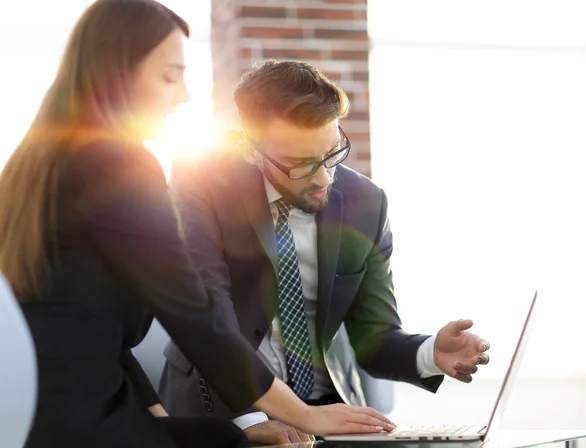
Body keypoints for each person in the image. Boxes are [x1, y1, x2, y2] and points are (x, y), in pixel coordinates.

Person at [0, 3, 394, 448]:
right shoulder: (118, 165)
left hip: (38, 408)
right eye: (170, 75)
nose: (183, 95)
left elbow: (84, 324)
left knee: (216, 434)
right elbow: (193, 311)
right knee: (230, 441)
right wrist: (303, 413)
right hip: (78, 422)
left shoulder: (37, 165)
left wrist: (155, 411)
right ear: (118, 71)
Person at [159, 60, 492, 445]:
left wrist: (431, 352)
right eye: (300, 165)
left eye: (333, 153)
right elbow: (208, 315)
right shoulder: (201, 182)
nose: (323, 179)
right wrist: (251, 420)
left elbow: (375, 337)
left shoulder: (366, 202)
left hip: (327, 411)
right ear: (250, 151)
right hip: (222, 407)